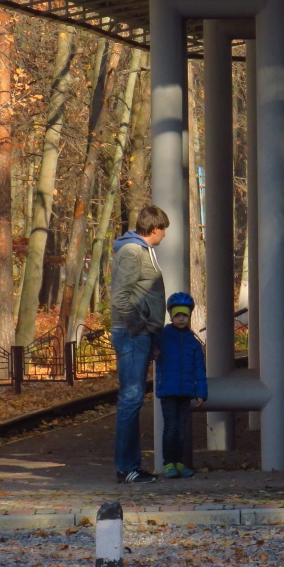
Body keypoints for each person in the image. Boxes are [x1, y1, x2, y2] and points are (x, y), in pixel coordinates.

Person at [110, 205, 169, 484]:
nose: (165, 235)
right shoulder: (132, 253)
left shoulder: (142, 251)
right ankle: (127, 468)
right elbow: (120, 298)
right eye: (164, 230)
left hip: (140, 335)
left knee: (132, 400)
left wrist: (152, 336)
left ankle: (129, 466)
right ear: (154, 229)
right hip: (132, 334)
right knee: (131, 400)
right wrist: (140, 328)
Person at [154, 292, 207, 479]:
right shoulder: (162, 337)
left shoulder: (193, 342)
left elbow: (200, 369)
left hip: (186, 392)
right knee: (171, 427)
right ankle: (168, 462)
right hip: (168, 391)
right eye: (177, 315)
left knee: (181, 429)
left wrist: (201, 392)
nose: (181, 318)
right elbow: (151, 347)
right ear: (171, 315)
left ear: (190, 316)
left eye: (184, 315)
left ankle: (179, 462)